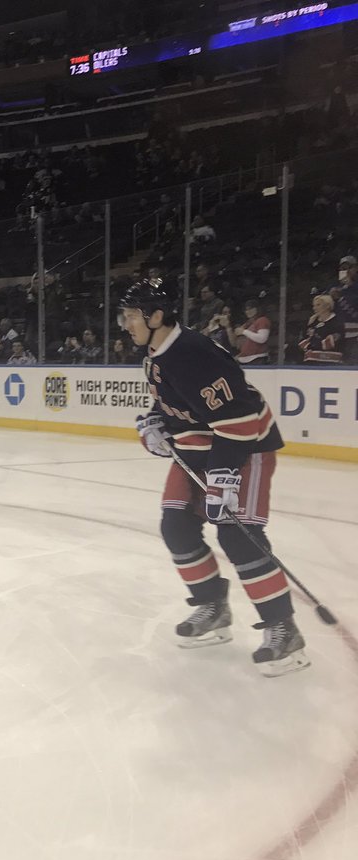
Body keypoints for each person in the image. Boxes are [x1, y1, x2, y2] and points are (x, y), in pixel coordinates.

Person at [119, 277, 307, 676]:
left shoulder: (194, 354)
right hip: (197, 451)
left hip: (245, 450)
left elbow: (238, 420)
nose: (126, 323)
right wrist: (155, 424)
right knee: (176, 526)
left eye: (132, 315)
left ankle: (282, 629)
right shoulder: (153, 354)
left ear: (156, 316)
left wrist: (224, 478)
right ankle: (213, 607)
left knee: (237, 535)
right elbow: (174, 407)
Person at [298, 294, 344, 364]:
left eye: (318, 305)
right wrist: (309, 346)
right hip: (311, 362)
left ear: (328, 306)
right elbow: (303, 340)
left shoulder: (336, 321)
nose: (314, 308)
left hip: (331, 363)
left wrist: (312, 345)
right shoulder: (312, 322)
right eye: (314, 305)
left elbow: (330, 343)